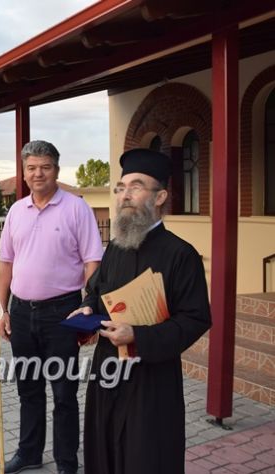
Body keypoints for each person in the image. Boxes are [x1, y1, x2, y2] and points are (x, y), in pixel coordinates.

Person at [69, 148, 211, 474]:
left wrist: (138, 336)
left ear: (160, 196)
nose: (125, 195)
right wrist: (87, 311)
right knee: (104, 452)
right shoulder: (115, 248)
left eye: (136, 186)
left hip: (152, 380)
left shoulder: (181, 254)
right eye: (121, 188)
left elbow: (196, 318)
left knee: (146, 456)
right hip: (107, 370)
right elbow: (96, 292)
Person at [0, 140, 103, 474]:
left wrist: (90, 308)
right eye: (31, 168)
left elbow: (93, 262)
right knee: (28, 389)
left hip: (63, 313)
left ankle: (66, 462)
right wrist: (2, 310)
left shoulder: (77, 208)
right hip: (21, 313)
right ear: (23, 172)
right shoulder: (16, 212)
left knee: (63, 393)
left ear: (56, 170)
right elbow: (5, 263)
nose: (38, 173)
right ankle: (29, 453)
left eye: (45, 167)